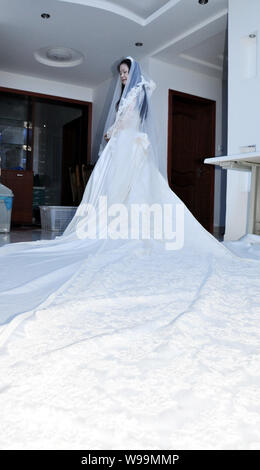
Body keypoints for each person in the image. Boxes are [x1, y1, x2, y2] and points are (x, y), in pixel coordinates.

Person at [0, 56, 258, 330]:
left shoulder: (136, 92)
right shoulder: (138, 91)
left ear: (132, 73)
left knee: (125, 190)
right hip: (129, 145)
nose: (122, 76)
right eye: (121, 73)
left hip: (127, 146)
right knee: (131, 191)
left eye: (125, 72)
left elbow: (126, 122)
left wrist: (112, 133)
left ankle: (123, 228)